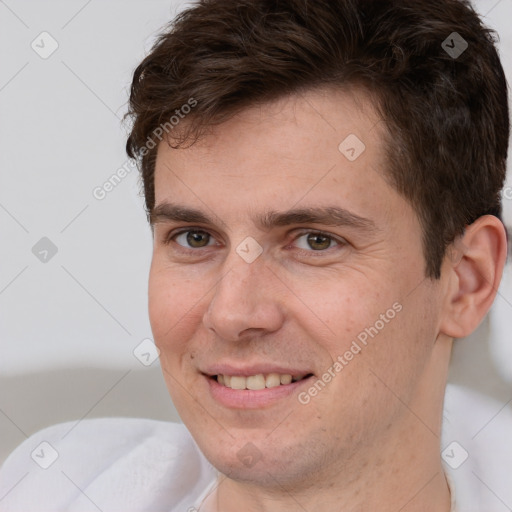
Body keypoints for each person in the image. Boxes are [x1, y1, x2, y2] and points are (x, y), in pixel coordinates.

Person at [1, 0, 511, 510]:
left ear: (467, 280)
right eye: (195, 238)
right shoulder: (56, 486)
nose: (231, 314)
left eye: (315, 241)